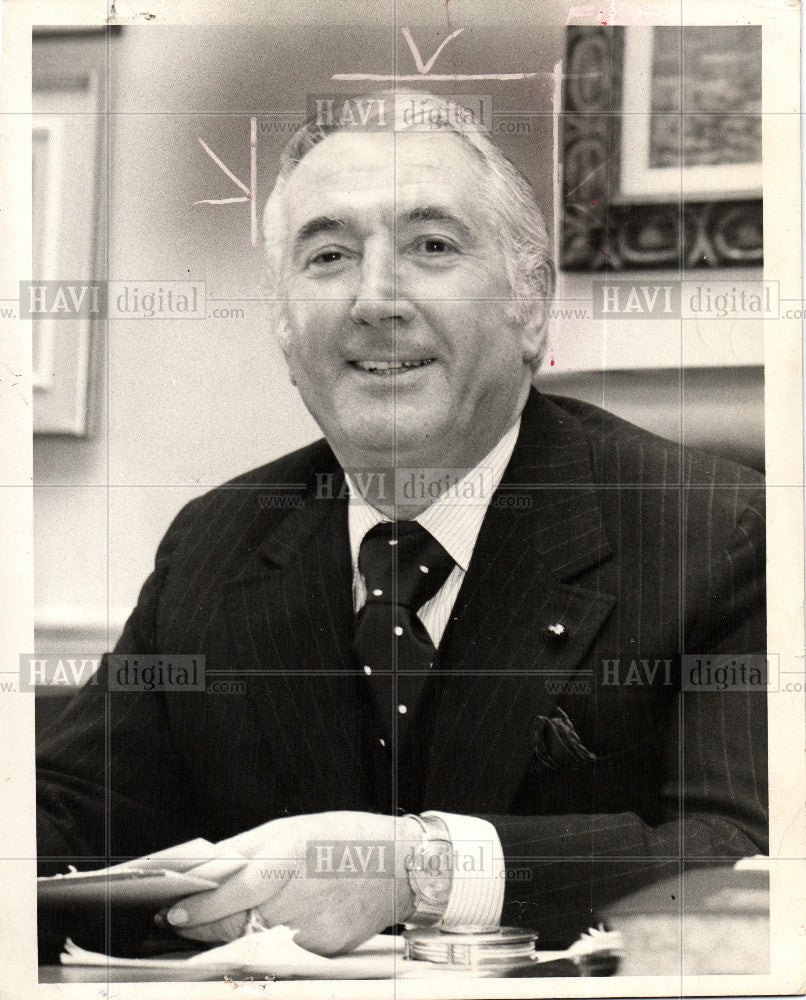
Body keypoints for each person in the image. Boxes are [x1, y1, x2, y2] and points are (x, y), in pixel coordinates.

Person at [37, 90, 767, 959]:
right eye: (329, 254)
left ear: (531, 305)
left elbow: (744, 864)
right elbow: (66, 818)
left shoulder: (719, 534)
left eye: (431, 246)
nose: (375, 299)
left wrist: (424, 868)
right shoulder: (217, 542)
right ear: (281, 323)